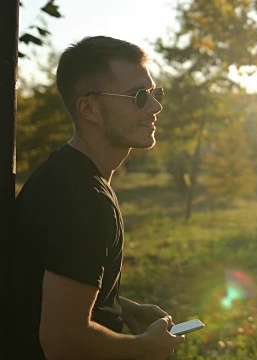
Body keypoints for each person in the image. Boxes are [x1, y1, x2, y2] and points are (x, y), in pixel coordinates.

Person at [7, 36, 185, 359]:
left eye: (154, 93)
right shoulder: (84, 200)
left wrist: (119, 307)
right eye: (139, 96)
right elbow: (63, 341)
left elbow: (40, 286)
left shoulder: (63, 173)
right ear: (89, 108)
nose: (156, 106)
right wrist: (145, 348)